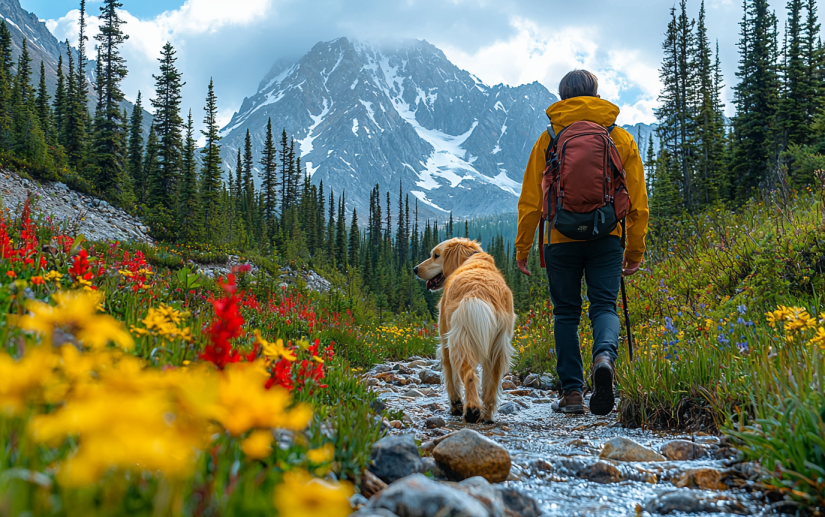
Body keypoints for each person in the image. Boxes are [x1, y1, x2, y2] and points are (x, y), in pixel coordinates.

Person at [514, 70, 649, 416]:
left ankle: (572, 393)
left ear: (562, 97)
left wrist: (523, 249)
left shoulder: (549, 138)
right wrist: (634, 251)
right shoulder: (618, 136)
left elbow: (531, 200)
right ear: (595, 93)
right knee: (604, 306)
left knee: (566, 313)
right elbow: (637, 202)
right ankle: (604, 357)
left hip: (560, 239)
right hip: (607, 236)